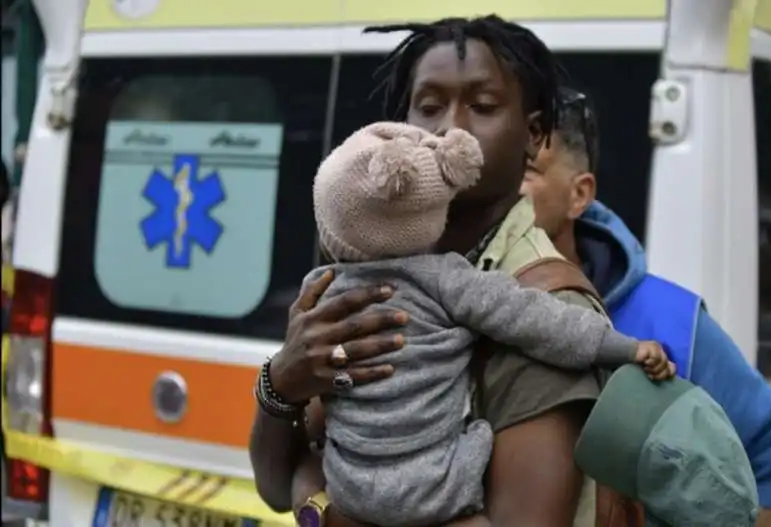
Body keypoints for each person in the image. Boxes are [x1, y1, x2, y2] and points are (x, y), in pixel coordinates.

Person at [250, 15, 634, 527]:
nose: (450, 127)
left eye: (484, 105)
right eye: (428, 106)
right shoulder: (374, 274)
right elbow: (276, 485)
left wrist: (320, 505)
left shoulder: (543, 307)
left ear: (534, 135)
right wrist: (282, 382)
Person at [298, 120, 671, 526]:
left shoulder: (319, 291)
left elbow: (302, 428)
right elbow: (543, 323)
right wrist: (626, 348)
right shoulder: (447, 279)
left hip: (349, 491)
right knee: (479, 434)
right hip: (436, 490)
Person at [520, 86, 771, 526]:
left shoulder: (670, 321)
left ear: (580, 194)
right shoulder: (440, 310)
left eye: (525, 169)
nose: (499, 190)